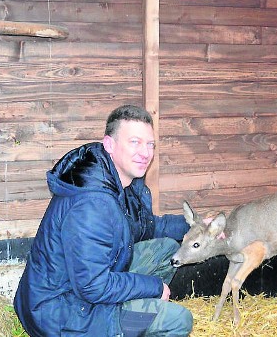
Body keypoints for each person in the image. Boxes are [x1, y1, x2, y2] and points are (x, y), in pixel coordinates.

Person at [14, 105, 193, 336]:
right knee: (178, 320)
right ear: (109, 144)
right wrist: (154, 287)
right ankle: (116, 324)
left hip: (81, 291)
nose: (145, 153)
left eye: (150, 144)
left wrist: (197, 226)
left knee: (167, 250)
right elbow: (93, 286)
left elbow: (148, 226)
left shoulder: (118, 183)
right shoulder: (92, 204)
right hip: (59, 314)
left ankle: (125, 319)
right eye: (135, 142)